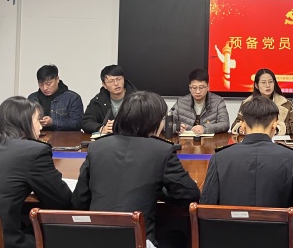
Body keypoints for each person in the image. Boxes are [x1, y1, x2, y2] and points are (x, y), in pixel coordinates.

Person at [72, 90, 200, 248]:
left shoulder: (97, 147)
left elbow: (79, 201)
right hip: (137, 241)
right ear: (153, 122)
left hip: (95, 239)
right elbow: (190, 195)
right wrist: (157, 188)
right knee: (178, 236)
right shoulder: (161, 150)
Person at [201, 96, 293, 238]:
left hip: (228, 239)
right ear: (275, 125)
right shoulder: (291, 158)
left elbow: (206, 209)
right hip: (276, 239)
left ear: (242, 125)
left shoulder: (219, 158)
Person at [0, 96, 72, 248]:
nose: (41, 127)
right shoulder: (33, 151)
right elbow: (62, 199)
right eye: (38, 120)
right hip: (1, 241)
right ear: (23, 121)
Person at [231, 69, 293, 135]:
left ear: (274, 83)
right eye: (263, 82)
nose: (268, 85)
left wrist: (278, 129)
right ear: (256, 85)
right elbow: (235, 125)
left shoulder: (285, 103)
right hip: (253, 141)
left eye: (270, 82)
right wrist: (240, 129)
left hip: (277, 141)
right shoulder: (247, 103)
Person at [81, 64, 137, 134]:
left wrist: (122, 127)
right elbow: (86, 122)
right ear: (104, 85)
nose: (116, 84)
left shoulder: (138, 99)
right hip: (107, 139)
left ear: (124, 80)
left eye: (119, 79)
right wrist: (102, 129)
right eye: (111, 81)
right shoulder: (98, 100)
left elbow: (146, 123)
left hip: (131, 138)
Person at [171, 69, 229, 134]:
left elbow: (225, 124)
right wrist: (176, 128)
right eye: (194, 88)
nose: (198, 91)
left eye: (201, 88)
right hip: (186, 140)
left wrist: (205, 129)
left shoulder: (218, 102)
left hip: (210, 140)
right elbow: (166, 122)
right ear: (190, 88)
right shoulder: (181, 102)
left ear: (208, 87)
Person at [27, 64, 83, 131]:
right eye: (41, 84)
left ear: (57, 79)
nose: (44, 88)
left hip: (64, 137)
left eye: (48, 84)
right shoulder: (32, 98)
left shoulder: (73, 98)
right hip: (38, 135)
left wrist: (53, 122)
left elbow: (77, 123)